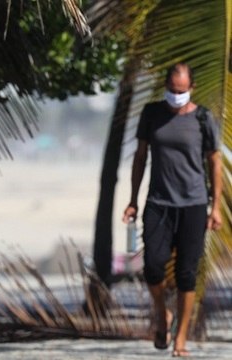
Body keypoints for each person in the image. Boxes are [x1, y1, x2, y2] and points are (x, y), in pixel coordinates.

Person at [122, 62, 222, 358]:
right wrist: (132, 200)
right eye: (170, 90)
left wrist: (215, 207)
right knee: (152, 265)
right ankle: (161, 314)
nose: (175, 96)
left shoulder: (203, 118)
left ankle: (180, 339)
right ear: (165, 87)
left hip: (192, 205)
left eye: (180, 91)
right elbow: (140, 157)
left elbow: (214, 162)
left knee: (186, 274)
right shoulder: (152, 114)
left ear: (191, 88)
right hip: (158, 203)